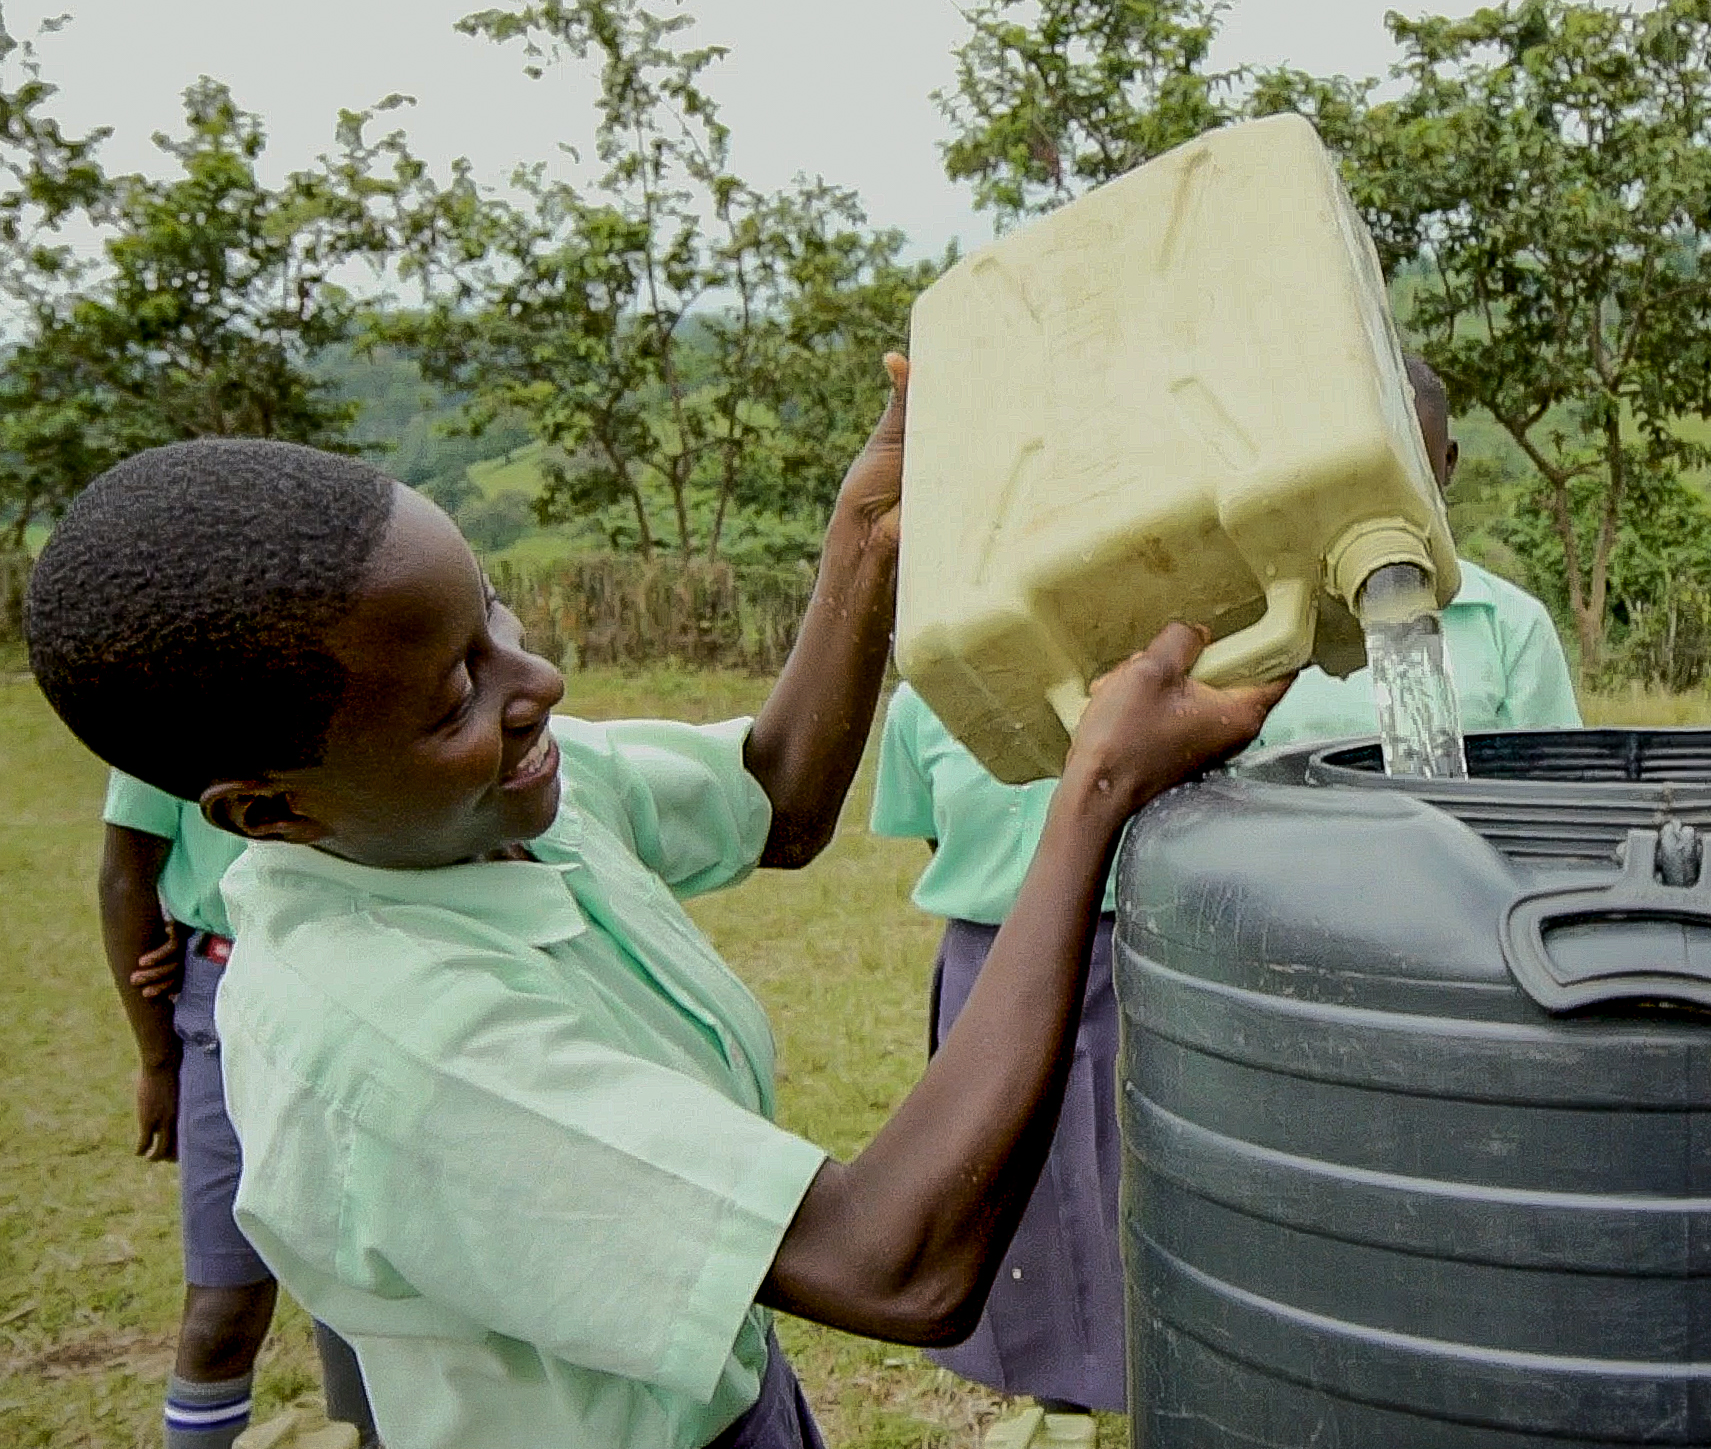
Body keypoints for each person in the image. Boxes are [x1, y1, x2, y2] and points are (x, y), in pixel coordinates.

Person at [25, 354, 1291, 1449]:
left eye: (494, 616)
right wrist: (1097, 788)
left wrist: (870, 532)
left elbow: (776, 795)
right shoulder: (394, 1043)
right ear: (269, 811)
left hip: (730, 1398)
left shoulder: (491, 805)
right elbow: (895, 1264)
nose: (539, 680)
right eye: (456, 694)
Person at [868, 354, 1577, 1447]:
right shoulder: (1164, 622)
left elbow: (1542, 812)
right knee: (1062, 1214)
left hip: (1384, 964)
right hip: (1076, 946)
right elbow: (936, 818)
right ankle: (1076, 1403)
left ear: (1442, 469)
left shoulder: (1493, 624)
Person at [100, 773, 381, 1449]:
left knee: (370, 1283)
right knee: (223, 1306)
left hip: (364, 981)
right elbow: (124, 875)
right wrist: (158, 1061)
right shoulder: (160, 719)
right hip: (220, 997)